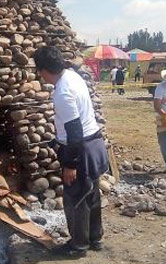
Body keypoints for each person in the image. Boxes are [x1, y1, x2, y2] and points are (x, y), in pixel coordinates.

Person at [34, 46, 108, 258]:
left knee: (75, 199)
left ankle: (78, 246)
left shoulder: (63, 92)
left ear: (45, 70)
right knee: (91, 194)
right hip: (93, 143)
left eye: (39, 71)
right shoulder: (73, 76)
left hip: (81, 148)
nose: (39, 75)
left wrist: (70, 164)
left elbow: (74, 131)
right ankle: (95, 238)